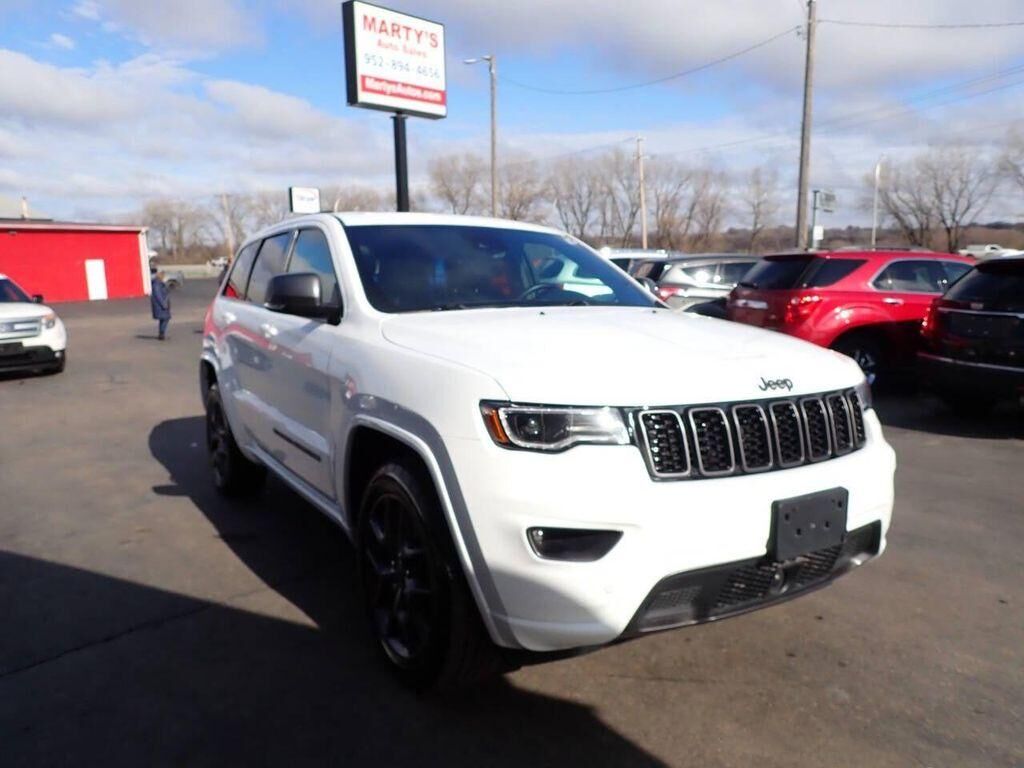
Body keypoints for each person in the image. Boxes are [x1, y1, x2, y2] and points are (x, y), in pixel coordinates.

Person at [150, 271, 171, 340]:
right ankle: (161, 333)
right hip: (160, 305)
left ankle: (161, 333)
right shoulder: (157, 285)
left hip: (161, 304)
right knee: (165, 318)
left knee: (163, 319)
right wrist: (163, 304)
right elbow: (158, 295)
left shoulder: (160, 284)